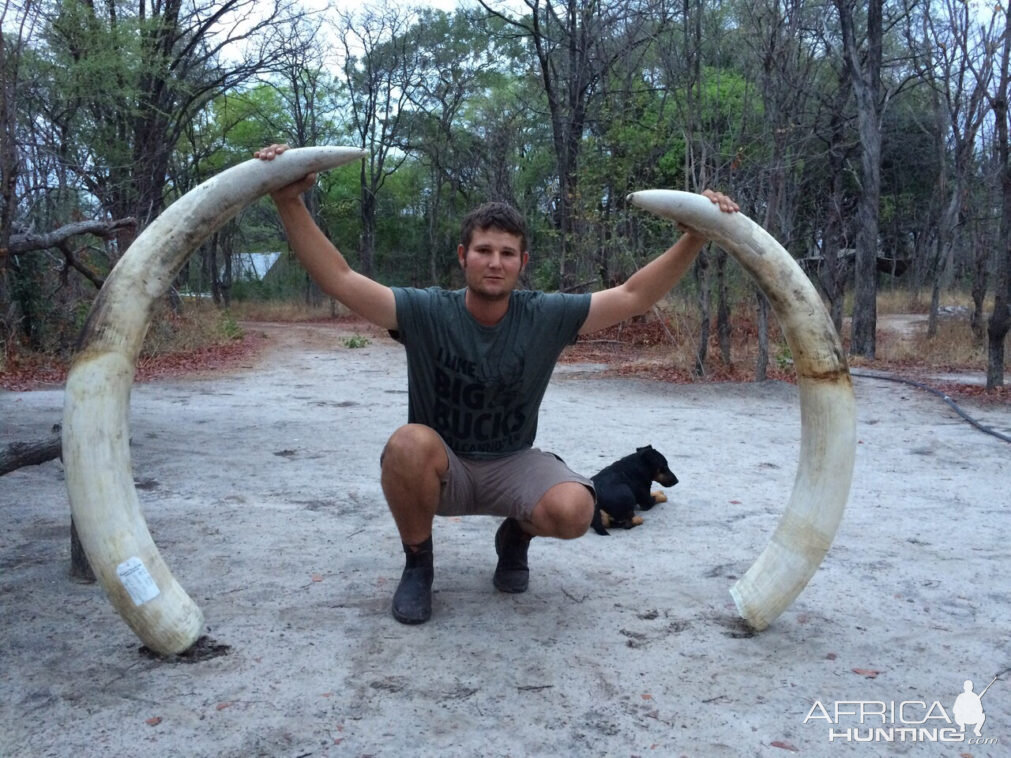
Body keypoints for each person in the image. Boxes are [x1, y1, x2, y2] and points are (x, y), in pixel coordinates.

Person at [255, 143, 739, 624]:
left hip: (512, 462)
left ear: (522, 262)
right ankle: (418, 564)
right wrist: (287, 199)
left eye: (507, 253)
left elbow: (633, 296)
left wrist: (696, 236)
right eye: (484, 250)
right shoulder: (426, 311)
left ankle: (516, 537)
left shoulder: (546, 315)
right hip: (444, 467)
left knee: (575, 510)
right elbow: (340, 279)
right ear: (464, 257)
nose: (495, 262)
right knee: (407, 444)